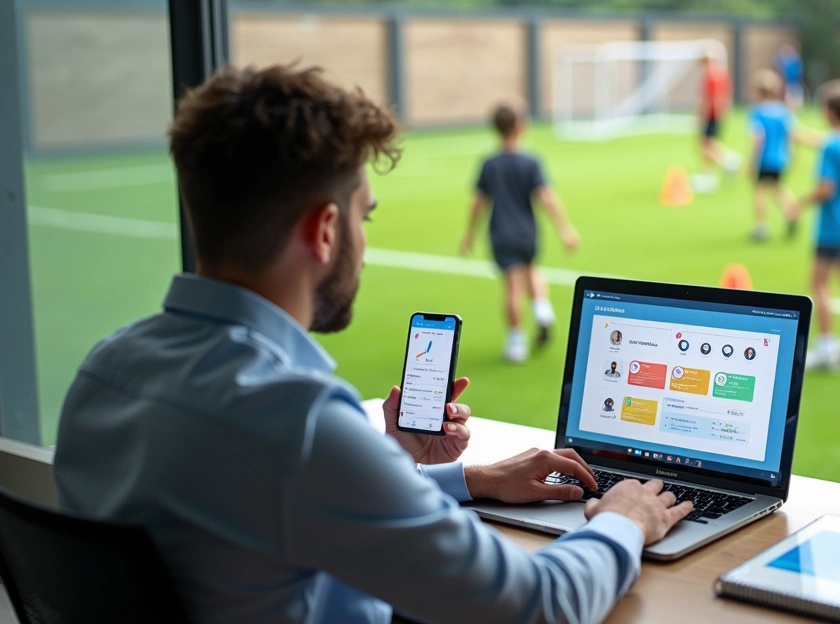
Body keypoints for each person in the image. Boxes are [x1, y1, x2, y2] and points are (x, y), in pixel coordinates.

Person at [53, 64, 692, 624]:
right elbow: (533, 606)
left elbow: (250, 513)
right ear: (325, 231)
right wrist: (626, 518)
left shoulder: (106, 371)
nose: (365, 240)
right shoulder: (297, 425)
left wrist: (461, 477)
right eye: (365, 215)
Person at [460, 101, 579, 364]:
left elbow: (479, 202)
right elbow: (546, 197)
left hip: (501, 233)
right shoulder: (530, 161)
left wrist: (468, 234)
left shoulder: (489, 164)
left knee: (512, 285)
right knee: (532, 269)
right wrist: (565, 229)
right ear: (520, 127)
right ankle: (542, 310)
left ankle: (516, 341)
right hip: (527, 232)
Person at [788, 80, 840, 372]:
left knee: (819, 284)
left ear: (830, 111)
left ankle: (827, 349)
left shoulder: (831, 148)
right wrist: (798, 134)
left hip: (832, 226)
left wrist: (799, 203)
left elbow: (826, 188)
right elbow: (826, 141)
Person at [747, 69, 799, 242]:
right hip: (781, 157)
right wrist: (792, 155)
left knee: (760, 190)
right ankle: (792, 212)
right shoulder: (784, 112)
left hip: (764, 158)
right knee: (777, 187)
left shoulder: (758, 112)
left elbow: (758, 137)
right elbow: (791, 135)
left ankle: (761, 227)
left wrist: (751, 161)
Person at [692, 51, 741, 194]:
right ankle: (710, 174)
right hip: (718, 113)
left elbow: (711, 98)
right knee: (710, 144)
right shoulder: (722, 74)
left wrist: (702, 115)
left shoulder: (711, 76)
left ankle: (728, 162)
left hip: (711, 114)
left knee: (704, 146)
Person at [774, 43, 804, 109]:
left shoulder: (796, 60)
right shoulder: (781, 61)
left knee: (797, 103)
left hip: (795, 84)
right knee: (787, 102)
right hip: (786, 84)